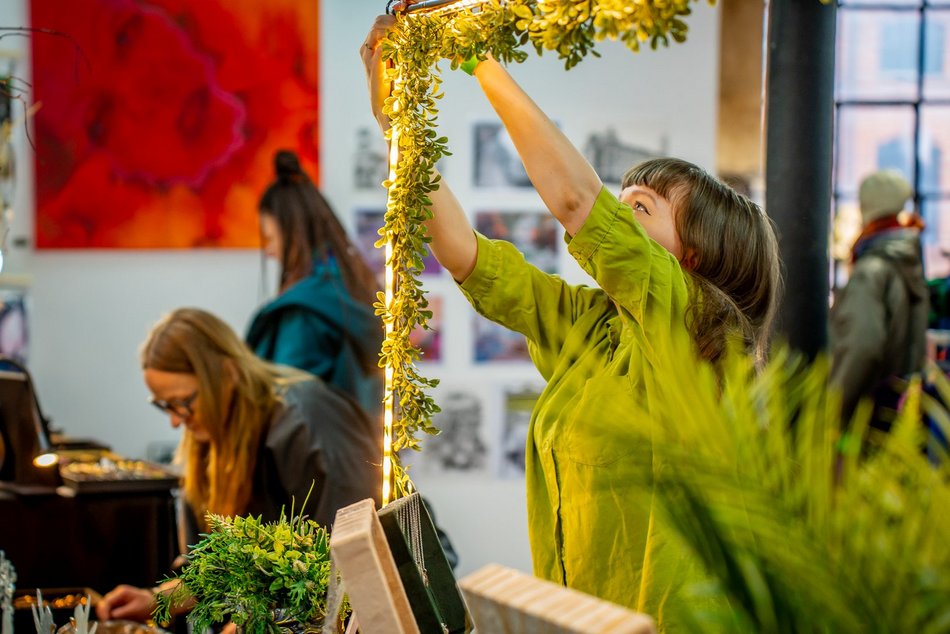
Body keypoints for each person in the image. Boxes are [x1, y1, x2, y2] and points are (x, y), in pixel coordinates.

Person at [361, 14, 781, 624]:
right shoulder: (595, 327)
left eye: (640, 208)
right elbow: (465, 254)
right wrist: (395, 127)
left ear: (692, 256)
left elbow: (576, 201)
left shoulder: (690, 329)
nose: (616, 214)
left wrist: (475, 52)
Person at [96, 307, 382, 623]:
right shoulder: (209, 437)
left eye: (183, 403)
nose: (176, 421)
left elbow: (344, 560)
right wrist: (157, 600)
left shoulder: (306, 421)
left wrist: (258, 620)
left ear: (228, 373)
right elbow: (231, 573)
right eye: (165, 407)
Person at [245, 150, 383, 417]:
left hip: (312, 454)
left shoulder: (303, 311)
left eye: (270, 238)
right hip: (363, 449)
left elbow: (286, 405)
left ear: (293, 232)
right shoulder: (357, 286)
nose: (269, 252)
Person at [830, 169, 928, 428]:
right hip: (901, 410)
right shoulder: (909, 260)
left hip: (868, 416)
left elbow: (861, 347)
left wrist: (832, 412)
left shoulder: (872, 269)